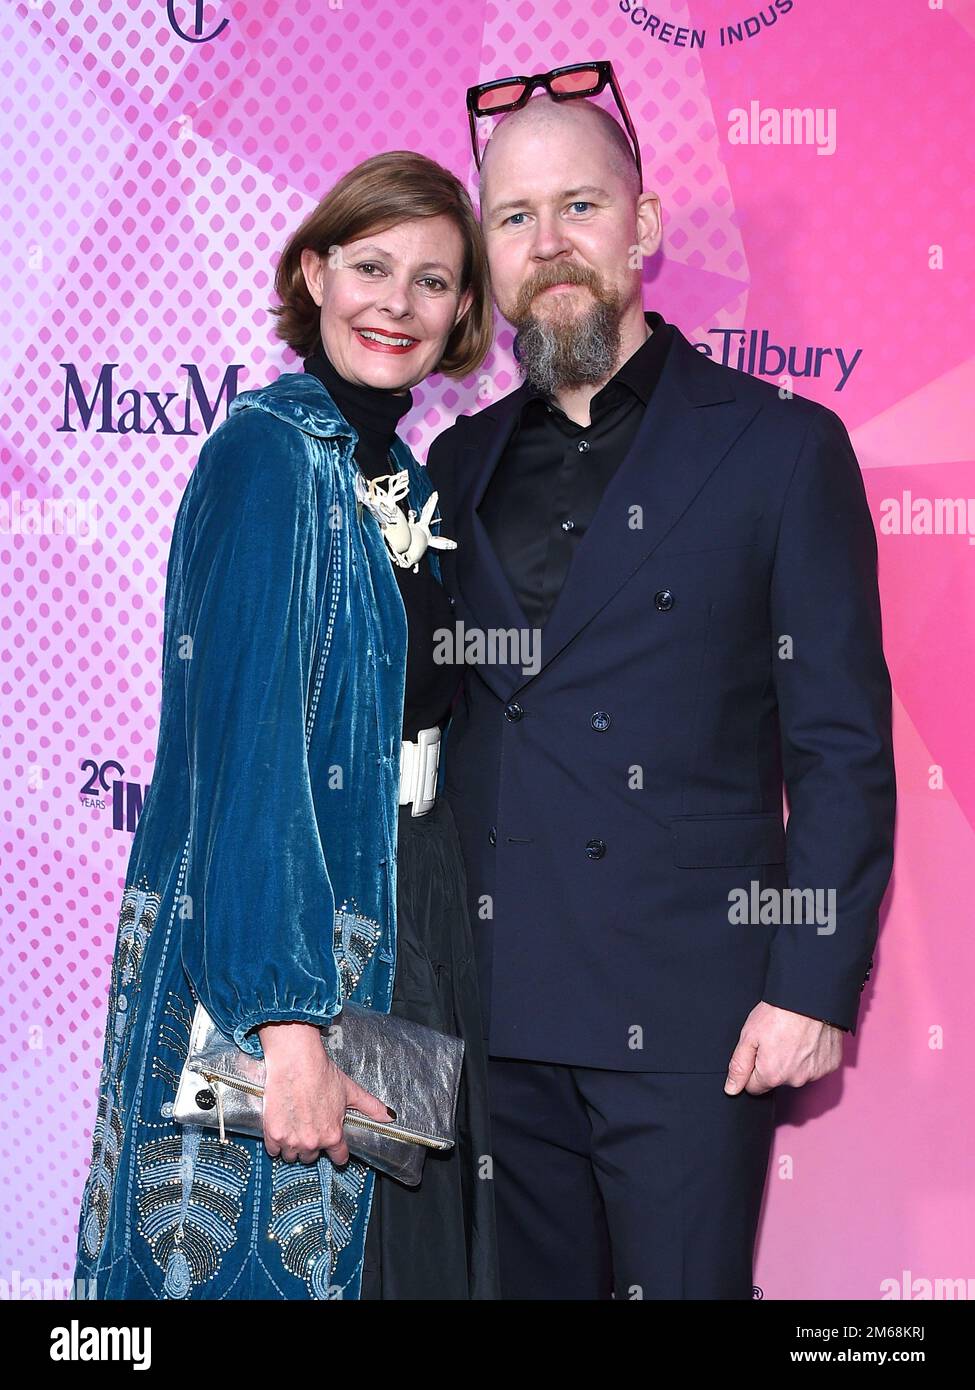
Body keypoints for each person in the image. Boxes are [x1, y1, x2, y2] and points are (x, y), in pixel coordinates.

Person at [426, 67, 896, 1299]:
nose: (550, 244)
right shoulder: (456, 459)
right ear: (490, 252)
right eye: (516, 217)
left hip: (693, 1024)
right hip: (496, 1019)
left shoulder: (780, 447)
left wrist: (810, 982)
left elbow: (839, 746)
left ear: (643, 227)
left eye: (579, 205)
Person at [72, 150, 500, 1300]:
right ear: (312, 273)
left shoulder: (396, 473)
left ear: (465, 310)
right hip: (287, 949)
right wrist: (285, 1028)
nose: (396, 305)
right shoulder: (268, 455)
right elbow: (249, 754)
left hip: (402, 904)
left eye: (432, 280)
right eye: (370, 266)